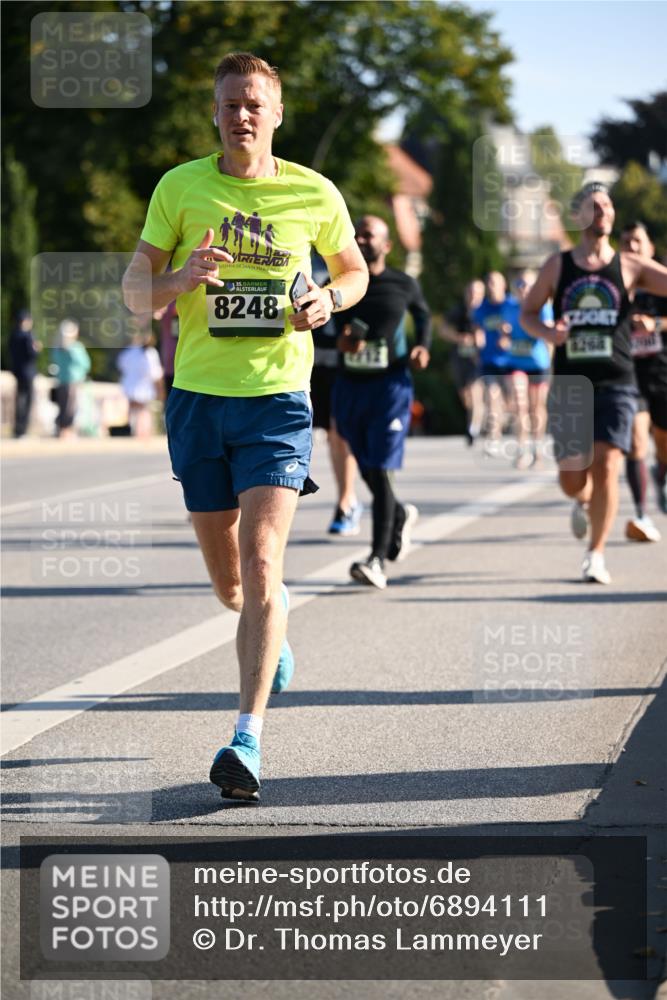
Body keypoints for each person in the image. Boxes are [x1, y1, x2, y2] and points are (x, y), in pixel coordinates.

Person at [123, 52, 367, 802]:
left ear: (276, 114)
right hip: (198, 401)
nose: (242, 116)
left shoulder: (313, 191)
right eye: (230, 105)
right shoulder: (179, 187)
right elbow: (134, 292)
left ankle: (246, 739)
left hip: (277, 401)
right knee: (231, 583)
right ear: (215, 113)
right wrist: (179, 279)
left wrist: (328, 299)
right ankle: (271, 633)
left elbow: (354, 271)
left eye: (255, 104)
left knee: (263, 564)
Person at [521, 182, 667, 583]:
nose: (603, 210)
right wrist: (549, 333)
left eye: (608, 205)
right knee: (572, 479)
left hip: (617, 382)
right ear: (578, 216)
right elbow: (527, 313)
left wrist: (656, 323)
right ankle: (583, 500)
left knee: (607, 464)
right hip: (570, 385)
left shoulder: (630, 265)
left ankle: (596, 554)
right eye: (594, 205)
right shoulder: (558, 266)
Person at [332, 215, 431, 589]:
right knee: (368, 469)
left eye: (368, 234)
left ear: (386, 245)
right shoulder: (340, 283)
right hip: (350, 387)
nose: (360, 239)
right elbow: (327, 331)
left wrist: (422, 347)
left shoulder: (403, 283)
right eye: (356, 233)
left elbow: (423, 315)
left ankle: (376, 559)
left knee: (381, 467)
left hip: (390, 386)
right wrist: (342, 342)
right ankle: (398, 513)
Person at [618, 221, 667, 541]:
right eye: (626, 242)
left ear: (650, 247)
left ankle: (660, 471)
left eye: (637, 241)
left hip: (662, 373)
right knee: (636, 440)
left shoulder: (661, 281)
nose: (632, 247)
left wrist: (655, 324)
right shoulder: (615, 285)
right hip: (628, 374)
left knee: (663, 443)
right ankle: (641, 514)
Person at [309, 250, 363, 536]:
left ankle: (346, 500)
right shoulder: (297, 250)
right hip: (307, 360)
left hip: (340, 360)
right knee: (327, 434)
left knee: (339, 431)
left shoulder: (343, 254)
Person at [501, 270, 552, 469]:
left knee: (536, 408)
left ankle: (537, 450)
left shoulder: (543, 307)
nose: (523, 289)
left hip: (538, 364)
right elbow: (503, 329)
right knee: (520, 405)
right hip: (515, 363)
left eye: (528, 285)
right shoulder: (509, 306)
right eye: (520, 284)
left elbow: (549, 334)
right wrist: (504, 334)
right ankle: (522, 451)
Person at [472, 272, 513, 456]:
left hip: (512, 360)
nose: (491, 286)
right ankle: (494, 438)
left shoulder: (512, 305)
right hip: (489, 359)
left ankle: (523, 438)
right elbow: (477, 329)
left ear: (504, 285)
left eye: (495, 282)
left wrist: (508, 336)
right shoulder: (482, 308)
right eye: (489, 282)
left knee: (513, 401)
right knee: (492, 396)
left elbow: (522, 328)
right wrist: (477, 345)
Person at [441, 279, 485, 445]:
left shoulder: (486, 311)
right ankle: (476, 419)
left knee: (475, 393)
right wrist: (459, 338)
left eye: (478, 293)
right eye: (471, 293)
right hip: (460, 359)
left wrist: (482, 340)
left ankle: (473, 429)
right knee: (466, 398)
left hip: (480, 360)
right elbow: (443, 329)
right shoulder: (459, 311)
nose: (474, 296)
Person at [117, 331, 164, 437]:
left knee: (134, 409)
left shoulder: (130, 351)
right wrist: (159, 388)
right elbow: (155, 373)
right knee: (143, 410)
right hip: (142, 386)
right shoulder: (150, 353)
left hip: (132, 385)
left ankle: (135, 430)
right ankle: (141, 432)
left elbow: (121, 365)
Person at [50, 319, 91, 439]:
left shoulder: (57, 347)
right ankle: (66, 430)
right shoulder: (76, 347)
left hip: (61, 380)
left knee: (63, 406)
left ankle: (61, 429)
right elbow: (85, 364)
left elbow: (55, 360)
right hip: (74, 381)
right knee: (71, 407)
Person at [9, 310, 41, 437]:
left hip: (17, 371)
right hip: (28, 372)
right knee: (26, 401)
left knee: (19, 400)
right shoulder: (28, 336)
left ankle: (17, 429)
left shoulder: (13, 335)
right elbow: (32, 353)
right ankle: (23, 429)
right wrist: (37, 348)